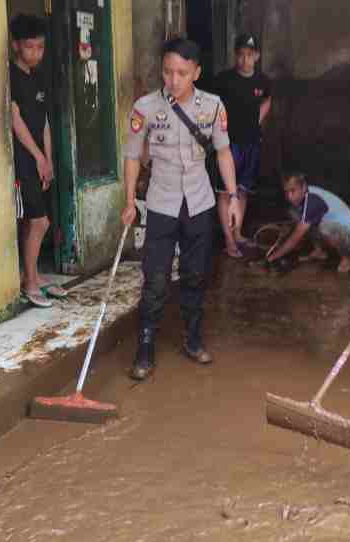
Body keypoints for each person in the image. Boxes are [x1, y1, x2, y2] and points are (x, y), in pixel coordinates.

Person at [121, 38, 240, 381]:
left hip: (200, 203)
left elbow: (223, 153)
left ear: (196, 73)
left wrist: (232, 197)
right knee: (155, 279)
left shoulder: (214, 106)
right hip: (161, 203)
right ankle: (145, 348)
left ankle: (192, 338)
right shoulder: (145, 107)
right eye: (168, 72)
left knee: (195, 275)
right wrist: (129, 202)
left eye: (182, 73)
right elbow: (132, 156)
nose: (173, 80)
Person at [9, 13, 66, 308]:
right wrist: (37, 156)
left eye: (41, 47)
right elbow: (15, 120)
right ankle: (29, 283)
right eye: (30, 47)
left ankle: (33, 274)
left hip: (38, 158)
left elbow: (43, 122)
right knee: (39, 221)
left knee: (32, 222)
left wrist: (49, 159)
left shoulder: (38, 77)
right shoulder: (12, 77)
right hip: (21, 158)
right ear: (16, 45)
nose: (36, 53)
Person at [212, 33, 272, 259]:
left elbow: (268, 99)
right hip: (229, 145)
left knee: (243, 189)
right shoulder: (223, 80)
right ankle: (228, 241)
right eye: (240, 55)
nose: (244, 60)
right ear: (235, 56)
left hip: (252, 143)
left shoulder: (263, 81)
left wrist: (258, 118)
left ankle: (237, 233)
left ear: (256, 56)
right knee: (227, 192)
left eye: (249, 55)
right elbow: (210, 104)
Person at [266, 170, 350, 274]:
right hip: (335, 228)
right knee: (294, 213)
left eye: (293, 191)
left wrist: (274, 256)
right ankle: (319, 251)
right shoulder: (304, 197)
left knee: (324, 228)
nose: (289, 196)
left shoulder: (312, 200)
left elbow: (295, 237)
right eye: (286, 192)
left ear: (304, 187)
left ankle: (346, 257)